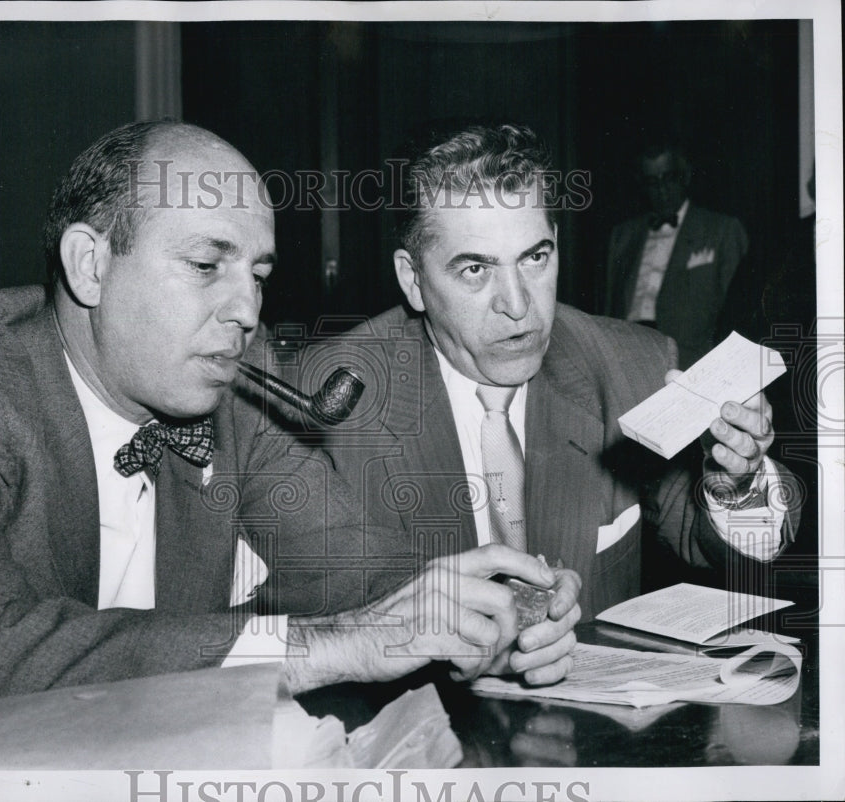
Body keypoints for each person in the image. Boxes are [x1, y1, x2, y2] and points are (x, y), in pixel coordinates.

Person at [0, 121, 580, 741]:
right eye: (208, 266)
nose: (246, 309)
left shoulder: (235, 381)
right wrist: (330, 646)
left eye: (258, 273)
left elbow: (344, 563)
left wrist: (491, 606)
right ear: (91, 265)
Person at [302, 123, 798, 621]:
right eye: (476, 270)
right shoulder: (325, 407)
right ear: (412, 280)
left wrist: (736, 484)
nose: (518, 306)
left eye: (535, 258)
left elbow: (713, 541)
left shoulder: (634, 367)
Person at [604, 143, 748, 368]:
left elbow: (740, 315)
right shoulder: (623, 235)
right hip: (628, 360)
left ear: (685, 176)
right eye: (652, 182)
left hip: (691, 362)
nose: (661, 189)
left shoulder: (721, 230)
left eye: (668, 178)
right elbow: (610, 310)